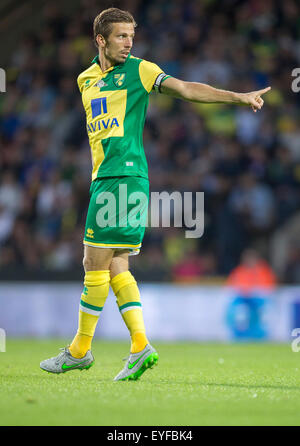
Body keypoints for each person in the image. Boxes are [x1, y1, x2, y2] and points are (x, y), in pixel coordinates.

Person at [40, 7, 271, 380]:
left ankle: (80, 350)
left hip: (123, 176)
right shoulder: (85, 79)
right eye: (120, 36)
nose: (129, 42)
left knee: (92, 264)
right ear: (100, 39)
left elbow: (186, 89)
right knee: (116, 266)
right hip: (106, 177)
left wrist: (238, 97)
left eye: (131, 35)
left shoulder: (141, 70)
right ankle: (139, 346)